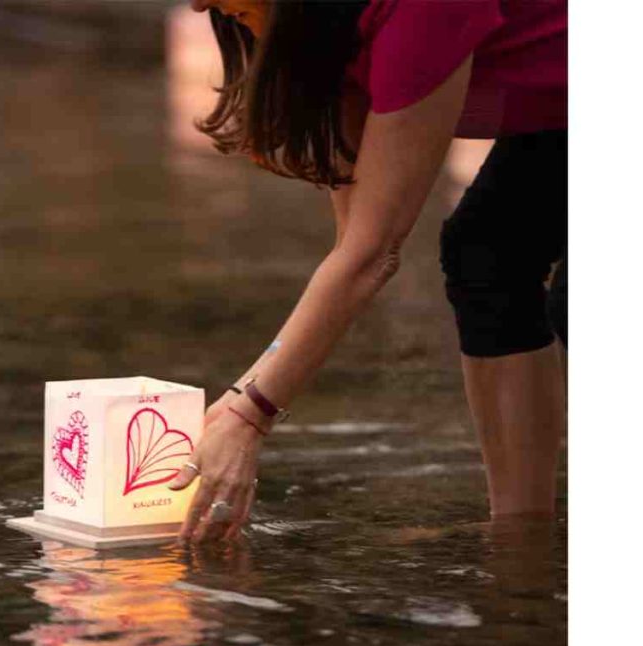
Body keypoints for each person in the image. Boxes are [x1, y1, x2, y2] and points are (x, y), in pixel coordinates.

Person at [167, 0, 568, 544]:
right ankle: (522, 537)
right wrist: (243, 399)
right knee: (485, 256)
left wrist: (251, 413)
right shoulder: (313, 23)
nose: (196, 4)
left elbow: (373, 253)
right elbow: (352, 247)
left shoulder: (419, 10)